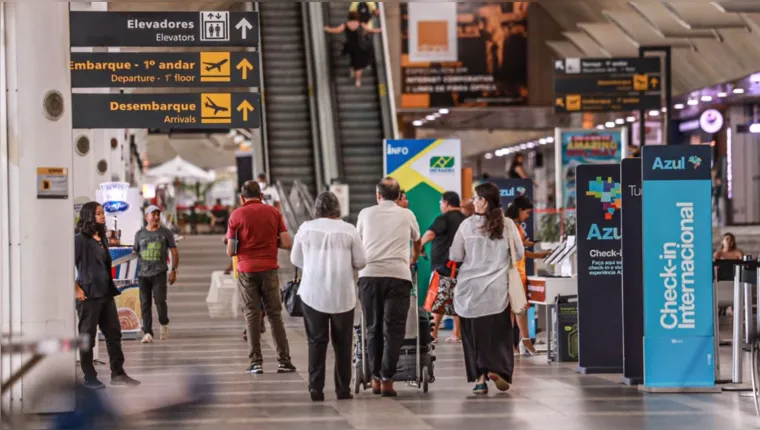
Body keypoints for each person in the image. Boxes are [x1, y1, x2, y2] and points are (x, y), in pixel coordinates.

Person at [291, 192, 367, 402]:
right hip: (342, 294)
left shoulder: (306, 228)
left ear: (317, 208)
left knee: (316, 342)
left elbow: (295, 258)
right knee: (342, 344)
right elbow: (361, 262)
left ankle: (316, 389)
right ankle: (343, 389)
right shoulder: (348, 229)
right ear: (337, 208)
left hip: (312, 293)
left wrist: (315, 265)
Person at [449, 183, 524, 394]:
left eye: (475, 198)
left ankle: (480, 379)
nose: (473, 202)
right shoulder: (508, 224)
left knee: (473, 337)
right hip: (497, 291)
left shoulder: (466, 226)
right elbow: (519, 254)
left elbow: (455, 256)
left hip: (469, 291)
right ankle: (497, 369)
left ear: (483, 201)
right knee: (498, 335)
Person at [356, 177, 421, 397]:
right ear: (399, 196)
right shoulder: (407, 214)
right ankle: (387, 379)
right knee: (394, 330)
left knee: (372, 328)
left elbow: (358, 241)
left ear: (378, 195)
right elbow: (417, 240)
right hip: (398, 276)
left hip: (370, 276)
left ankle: (374, 377)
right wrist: (412, 257)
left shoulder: (365, 214)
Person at [226, 181, 295, 375]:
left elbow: (231, 250)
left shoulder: (236, 215)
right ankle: (284, 361)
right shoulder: (273, 213)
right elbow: (287, 243)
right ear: (262, 195)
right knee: (275, 315)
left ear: (242, 197)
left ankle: (256, 362)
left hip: (246, 270)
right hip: (269, 269)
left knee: (252, 315)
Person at [75, 202, 140, 389]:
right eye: (98, 213)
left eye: (102, 213)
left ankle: (118, 374)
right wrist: (76, 289)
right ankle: (89, 377)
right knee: (88, 336)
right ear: (89, 216)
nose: (102, 216)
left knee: (114, 333)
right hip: (88, 296)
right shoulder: (79, 240)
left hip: (105, 294)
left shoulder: (101, 237)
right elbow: (67, 264)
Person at [505, 196, 551, 356]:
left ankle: (516, 345)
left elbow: (519, 250)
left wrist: (538, 255)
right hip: (515, 273)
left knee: (515, 311)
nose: (528, 216)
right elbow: (514, 249)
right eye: (527, 212)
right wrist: (531, 250)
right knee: (518, 309)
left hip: (517, 272)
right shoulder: (511, 225)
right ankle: (523, 342)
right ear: (519, 210)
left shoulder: (512, 225)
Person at [421, 191, 466, 343]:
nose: (441, 205)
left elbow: (430, 235)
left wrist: (419, 246)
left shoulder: (444, 218)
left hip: (443, 267)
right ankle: (456, 333)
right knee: (457, 300)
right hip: (462, 267)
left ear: (446, 203)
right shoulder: (465, 220)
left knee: (438, 300)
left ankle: (433, 334)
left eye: (441, 202)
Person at [134, 206, 179, 344]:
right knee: (145, 303)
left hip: (159, 273)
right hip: (143, 274)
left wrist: (173, 270)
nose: (156, 217)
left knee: (160, 301)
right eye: (153, 214)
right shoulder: (139, 234)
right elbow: (135, 252)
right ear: (146, 216)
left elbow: (174, 252)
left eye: (158, 214)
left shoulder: (166, 233)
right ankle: (147, 332)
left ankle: (163, 323)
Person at [325, 12, 383, 88]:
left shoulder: (345, 24)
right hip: (360, 47)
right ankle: (357, 80)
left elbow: (337, 30)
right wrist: (379, 30)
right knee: (359, 65)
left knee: (353, 58)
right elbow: (370, 30)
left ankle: (352, 70)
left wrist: (327, 29)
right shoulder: (360, 24)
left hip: (350, 47)